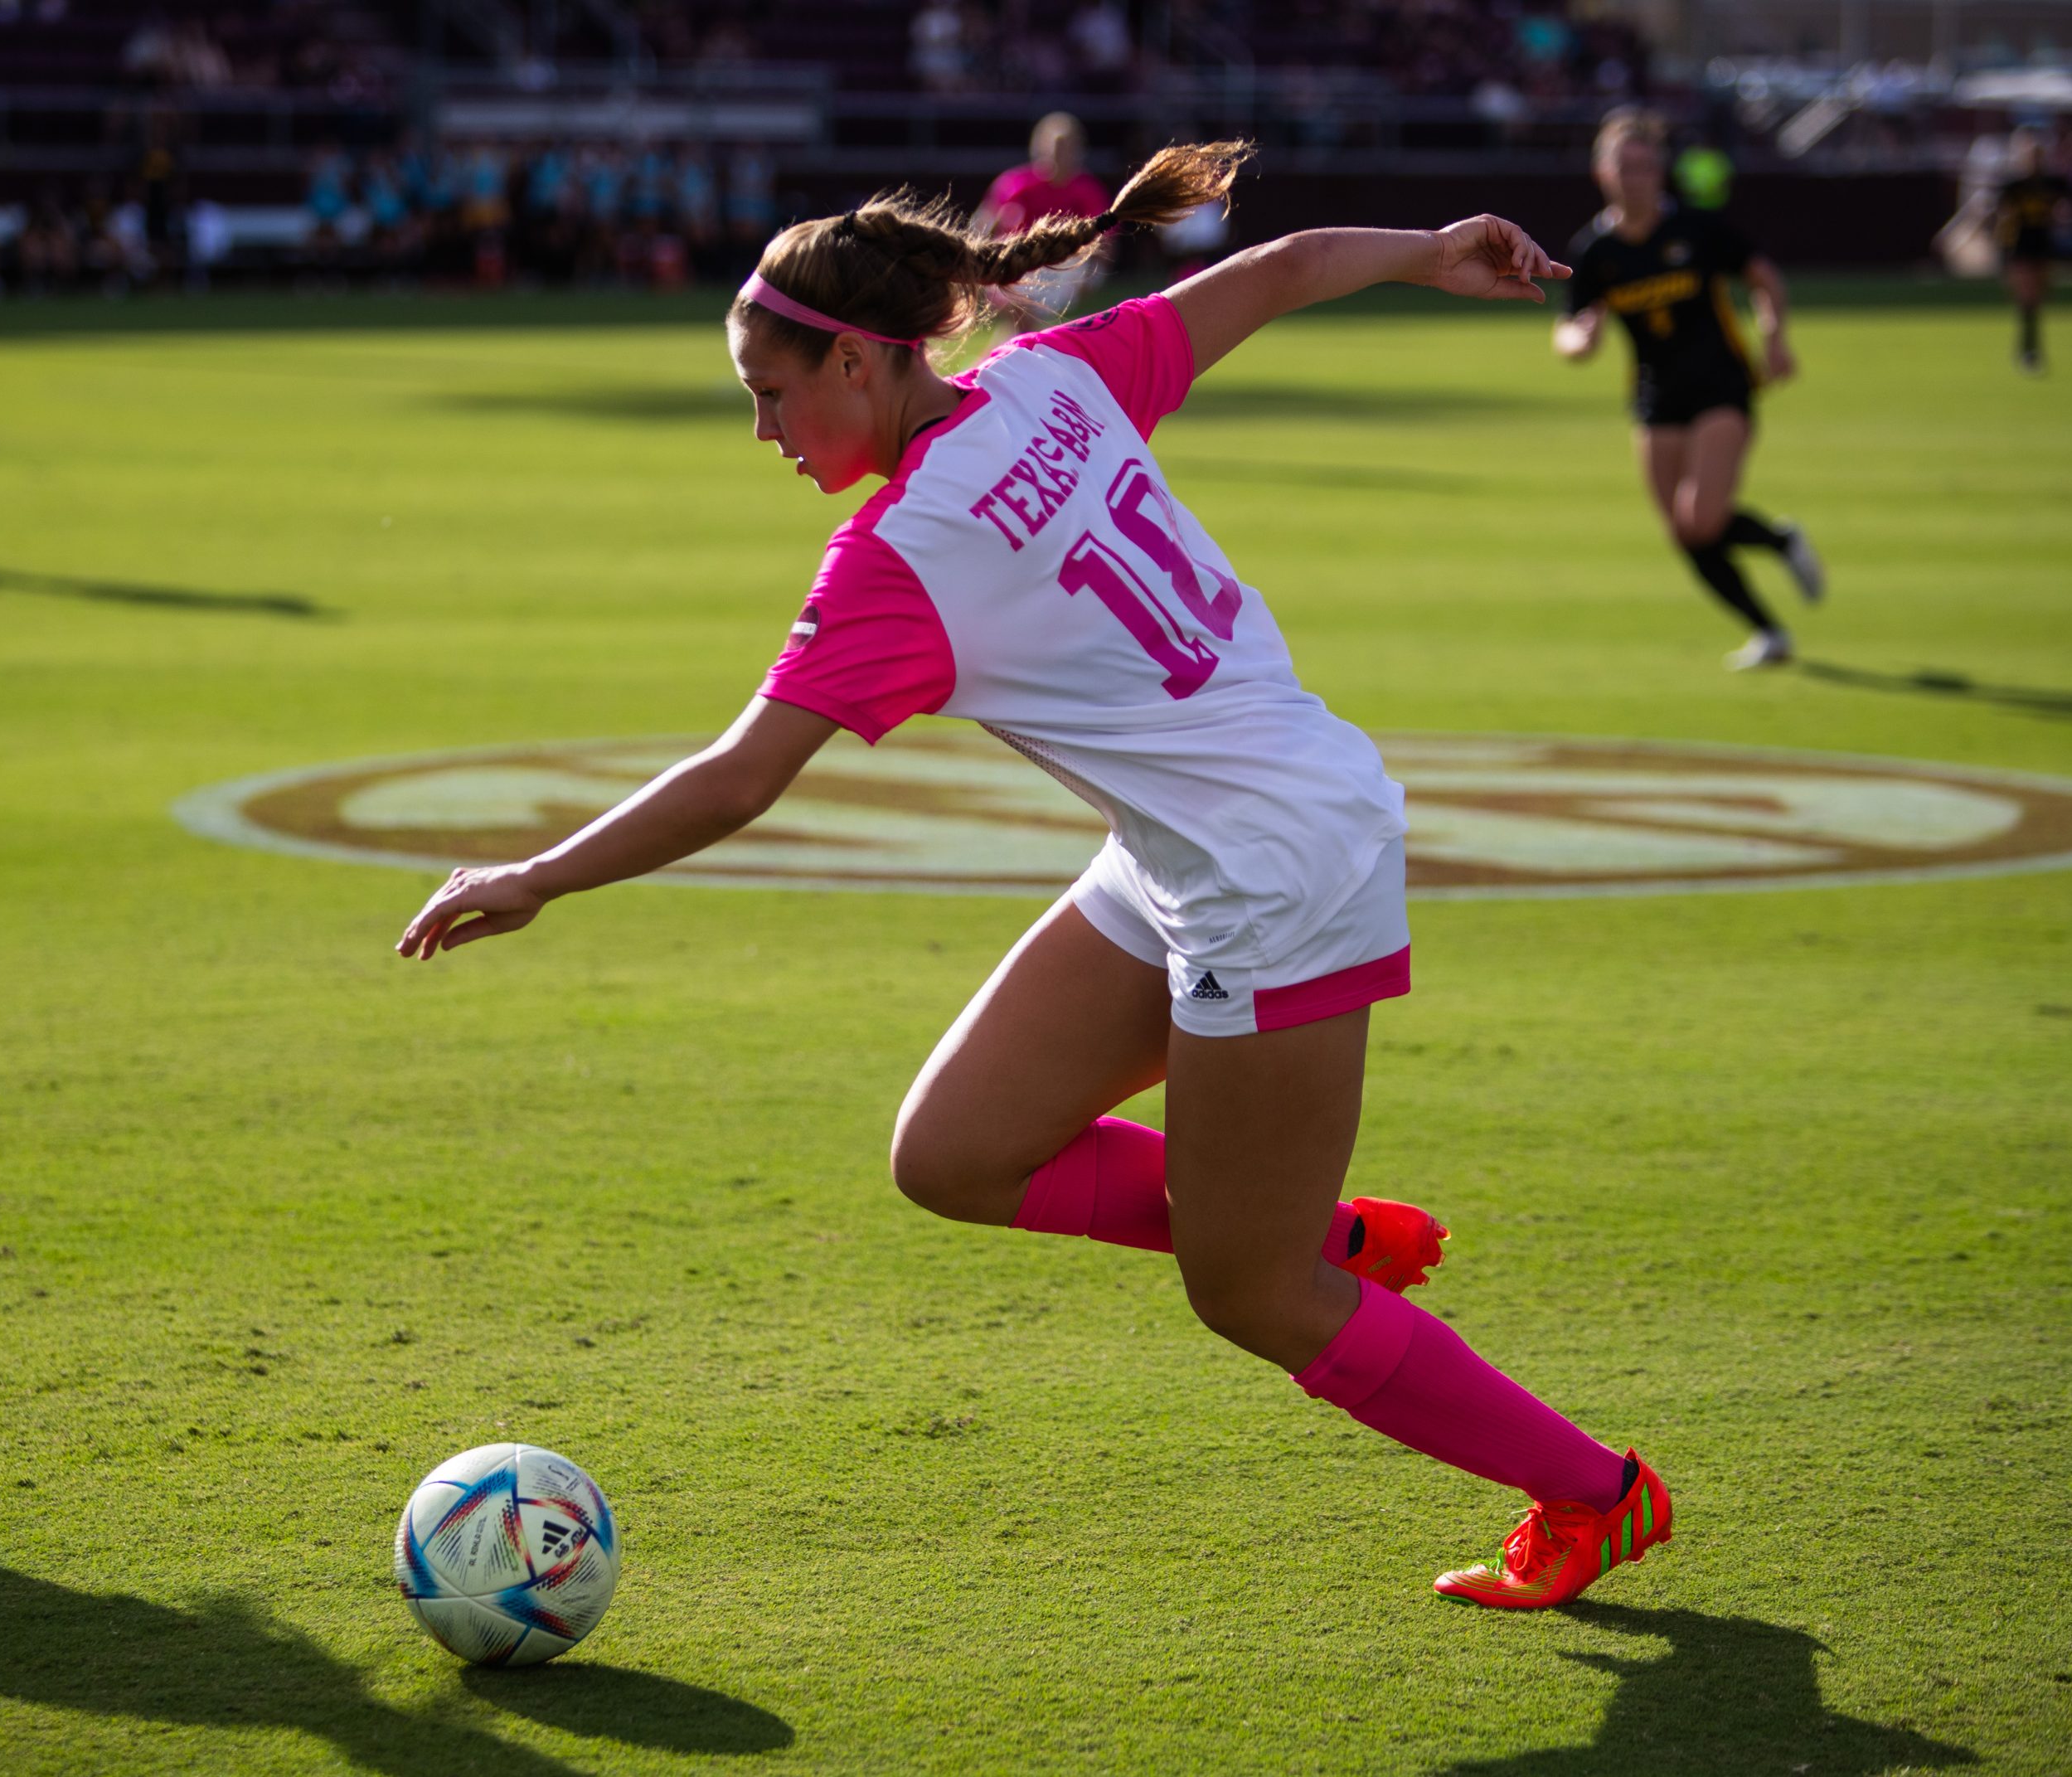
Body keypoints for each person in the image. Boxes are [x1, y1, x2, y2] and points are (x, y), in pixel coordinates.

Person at [395, 142, 1672, 1609]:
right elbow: (1278, 270)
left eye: (771, 390)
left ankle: (1594, 1491)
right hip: (1197, 841)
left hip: (1274, 866)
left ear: (865, 366)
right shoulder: (1043, 381)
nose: (759, 427)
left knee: (1249, 1294)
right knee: (953, 1153)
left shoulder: (895, 554)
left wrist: (540, 873)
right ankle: (1307, 1221)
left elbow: (740, 775)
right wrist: (1429, 246)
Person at [1555, 109, 1822, 672]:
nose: (1636, 178)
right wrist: (1577, 340)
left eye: (1646, 166)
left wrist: (1774, 336)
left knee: (1700, 515)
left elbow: (1763, 277)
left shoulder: (1696, 228)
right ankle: (1770, 618)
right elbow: (1571, 324)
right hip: (1655, 396)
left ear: (1661, 171)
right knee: (1683, 531)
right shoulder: (1594, 251)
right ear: (1601, 172)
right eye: (1623, 167)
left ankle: (1779, 550)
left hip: (1722, 385)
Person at [975, 113, 1114, 328]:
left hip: (1065, 270)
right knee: (1022, 317)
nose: (1058, 155)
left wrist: (1094, 279)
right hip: (1020, 267)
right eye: (1054, 147)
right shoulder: (1014, 185)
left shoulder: (1088, 190)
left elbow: (1106, 242)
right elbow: (983, 228)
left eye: (1067, 148)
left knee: (1025, 330)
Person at [1995, 127, 2070, 374]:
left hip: (2044, 247)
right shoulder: (2014, 186)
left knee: (2039, 299)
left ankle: (2031, 349)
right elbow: (2002, 218)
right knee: (2027, 300)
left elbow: (2066, 206)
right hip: (2022, 247)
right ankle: (2029, 350)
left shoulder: (2055, 183)